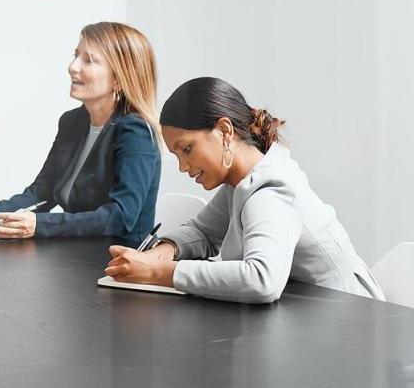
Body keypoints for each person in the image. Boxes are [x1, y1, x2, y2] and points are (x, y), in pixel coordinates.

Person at [104, 77, 386, 303]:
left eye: (187, 149)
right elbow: (203, 232)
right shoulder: (241, 183)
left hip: (350, 320)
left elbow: (261, 279)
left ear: (224, 131)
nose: (182, 166)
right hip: (307, 318)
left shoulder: (272, 188)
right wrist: (164, 251)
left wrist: (158, 272)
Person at [0, 22, 161, 247]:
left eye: (89, 60)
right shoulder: (72, 122)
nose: (73, 67)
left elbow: (121, 217)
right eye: (76, 56)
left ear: (119, 79)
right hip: (73, 251)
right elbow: (42, 192)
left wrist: (40, 224)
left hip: (115, 259)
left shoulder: (136, 132)